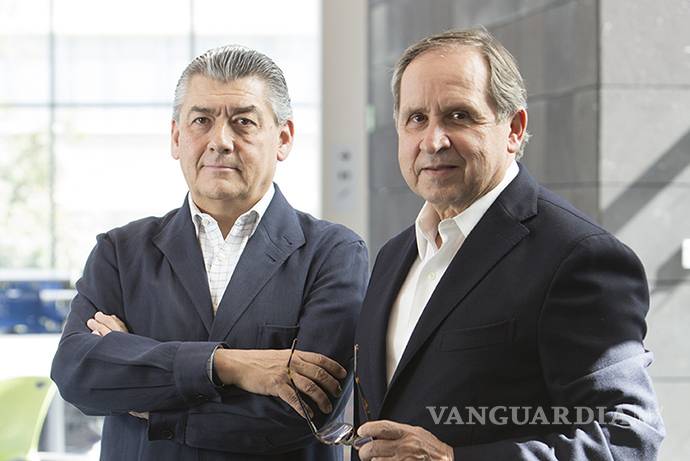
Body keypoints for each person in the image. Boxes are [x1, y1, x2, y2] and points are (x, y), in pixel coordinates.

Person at [353, 28, 664, 460]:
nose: (433, 141)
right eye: (417, 118)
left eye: (459, 116)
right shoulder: (394, 254)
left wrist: (453, 459)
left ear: (514, 129)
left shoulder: (579, 257)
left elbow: (627, 437)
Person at [51, 45, 369, 461]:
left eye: (243, 122)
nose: (220, 141)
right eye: (201, 120)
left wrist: (150, 402)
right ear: (177, 137)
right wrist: (229, 365)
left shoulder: (333, 254)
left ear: (283, 138)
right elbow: (78, 373)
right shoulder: (120, 252)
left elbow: (305, 411)